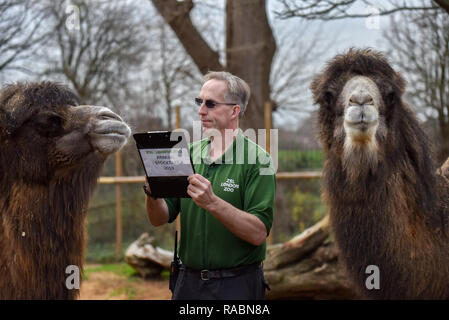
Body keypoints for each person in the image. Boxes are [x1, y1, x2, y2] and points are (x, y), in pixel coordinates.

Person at [145, 71, 276, 300]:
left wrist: (212, 202)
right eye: (199, 102)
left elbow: (258, 233)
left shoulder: (258, 160)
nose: (200, 110)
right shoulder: (187, 154)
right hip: (188, 284)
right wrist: (151, 192)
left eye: (210, 104)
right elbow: (158, 218)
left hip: (237, 286)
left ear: (235, 110)